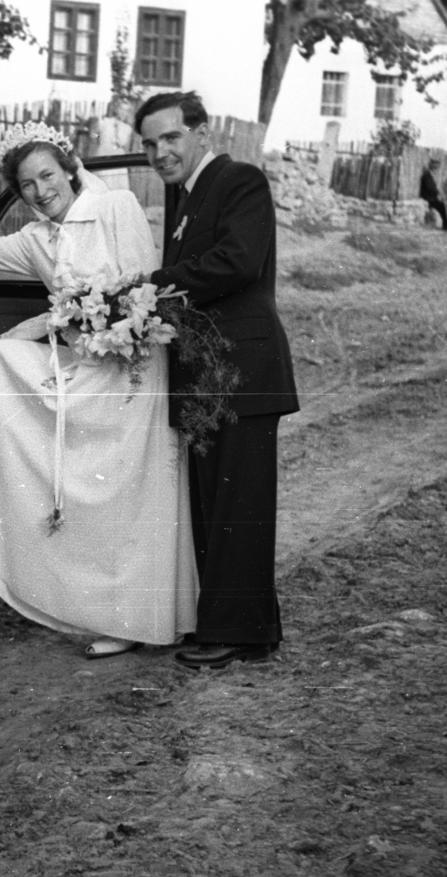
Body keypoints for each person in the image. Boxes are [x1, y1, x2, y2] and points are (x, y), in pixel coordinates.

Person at [0, 128, 197, 659]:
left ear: (69, 170)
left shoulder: (116, 206)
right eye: (26, 185)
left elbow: (146, 288)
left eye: (47, 175)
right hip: (83, 365)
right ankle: (96, 606)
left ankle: (144, 616)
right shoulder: (36, 240)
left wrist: (112, 324)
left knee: (132, 493)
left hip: (136, 371)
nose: (40, 191)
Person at [135, 91, 299, 670]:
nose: (160, 152)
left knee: (239, 502)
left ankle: (239, 631)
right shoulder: (185, 196)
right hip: (208, 373)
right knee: (215, 504)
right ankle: (233, 627)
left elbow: (238, 262)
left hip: (242, 368)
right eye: (150, 144)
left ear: (202, 133)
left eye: (171, 138)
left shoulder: (239, 180)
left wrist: (153, 286)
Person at [419, 158, 447, 231]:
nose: (437, 170)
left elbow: (432, 188)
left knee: (446, 207)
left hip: (432, 198)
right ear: (433, 168)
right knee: (445, 208)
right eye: (436, 168)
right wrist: (438, 192)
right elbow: (430, 188)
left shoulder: (429, 175)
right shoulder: (427, 176)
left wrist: (438, 193)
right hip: (429, 199)